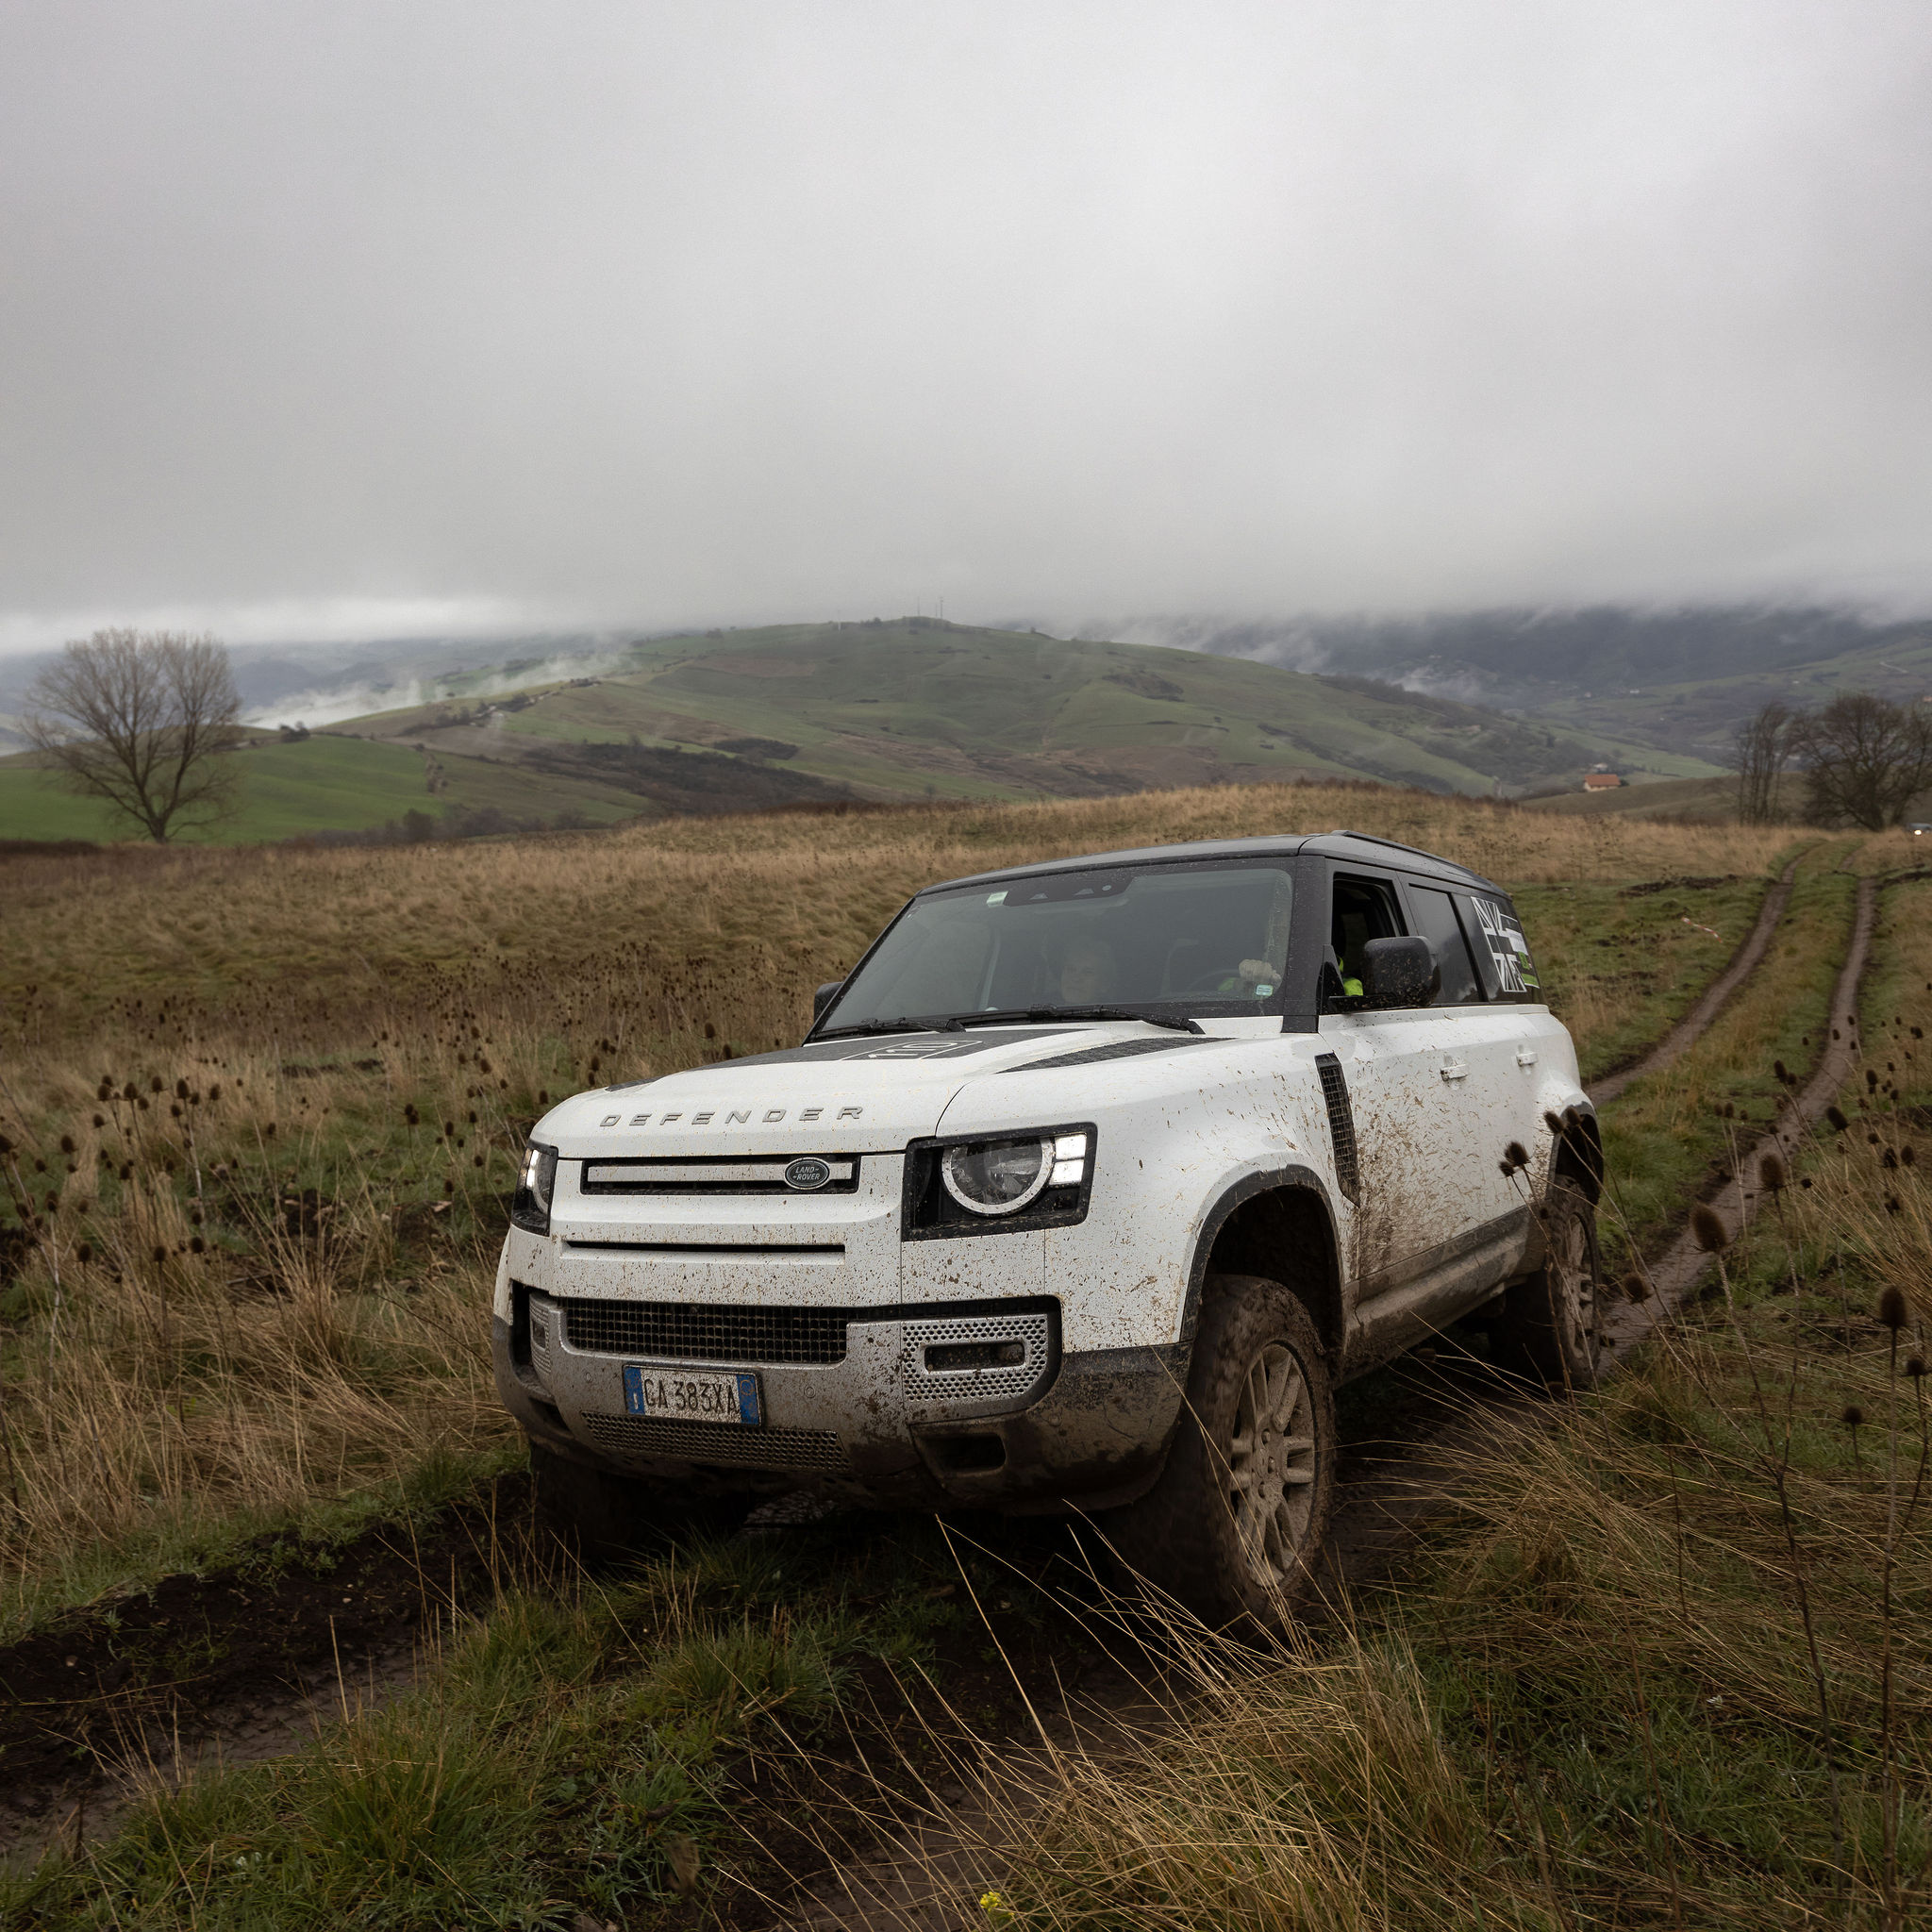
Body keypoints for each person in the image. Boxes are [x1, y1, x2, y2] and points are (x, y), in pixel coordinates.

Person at [1058, 936, 1118, 1004]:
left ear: (1105, 984)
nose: (1076, 978)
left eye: (1087, 973)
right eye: (1070, 969)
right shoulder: (1045, 1008)